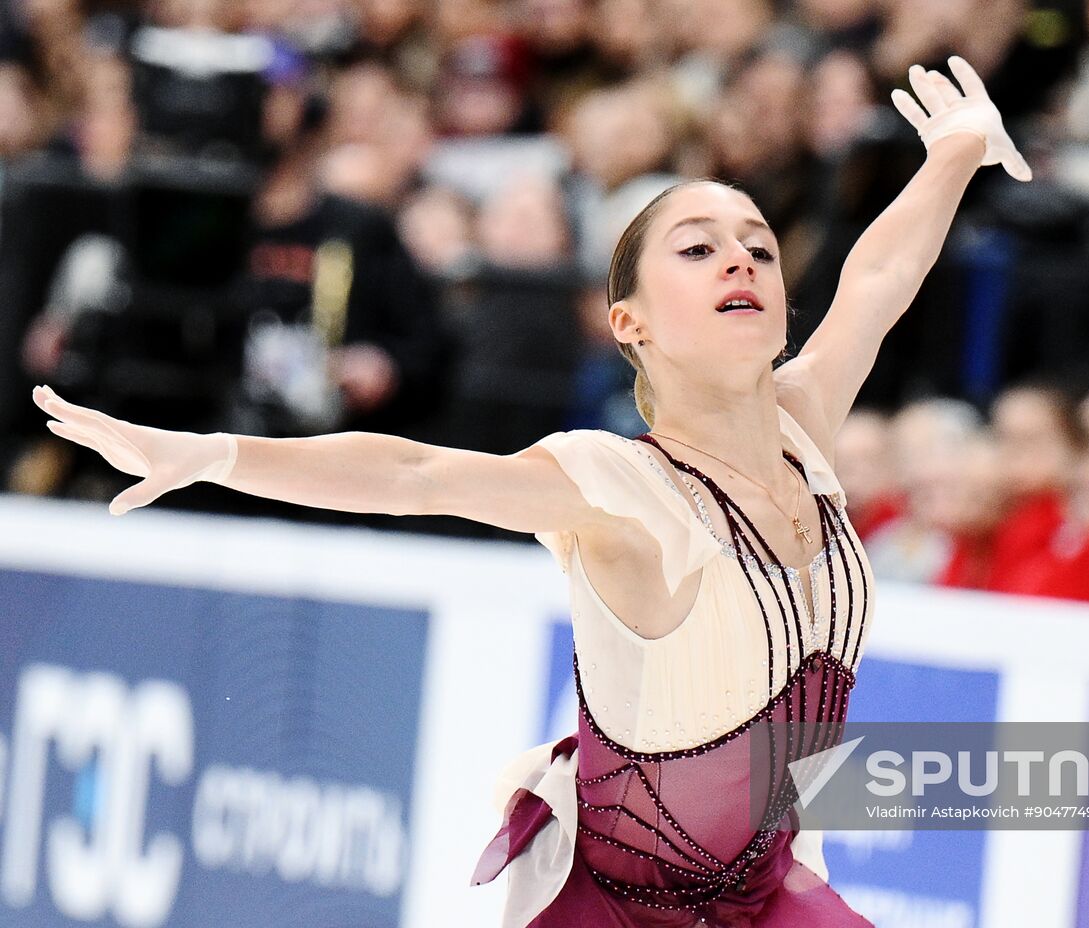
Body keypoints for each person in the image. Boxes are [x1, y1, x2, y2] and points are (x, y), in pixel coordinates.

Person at [33, 56, 1030, 926]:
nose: (739, 255)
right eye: (696, 245)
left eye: (758, 244)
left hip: (764, 894)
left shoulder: (801, 423)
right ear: (628, 322)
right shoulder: (620, 483)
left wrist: (951, 154)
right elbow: (415, 476)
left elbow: (876, 282)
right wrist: (220, 454)